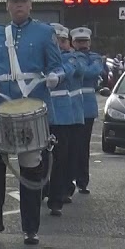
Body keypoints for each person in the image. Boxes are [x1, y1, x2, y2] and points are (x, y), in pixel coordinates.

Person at [0, 0, 63, 245]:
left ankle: (30, 228)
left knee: (30, 170)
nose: (18, 6)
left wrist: (54, 77)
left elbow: (58, 67)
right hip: (0, 111)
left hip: (32, 110)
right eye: (13, 1)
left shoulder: (44, 32)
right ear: (7, 5)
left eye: (23, 1)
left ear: (30, 5)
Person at [45, 24, 82, 216]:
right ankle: (42, 189)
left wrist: (56, 75)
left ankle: (56, 198)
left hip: (62, 115)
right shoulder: (42, 58)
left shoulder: (70, 57)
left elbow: (68, 69)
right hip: (42, 112)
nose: (58, 44)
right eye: (55, 41)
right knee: (37, 157)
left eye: (62, 41)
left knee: (60, 158)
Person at [69, 28, 103, 194]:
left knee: (82, 146)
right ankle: (67, 181)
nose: (82, 45)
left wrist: (79, 67)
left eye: (85, 41)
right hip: (70, 107)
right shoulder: (69, 57)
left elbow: (92, 72)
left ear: (89, 42)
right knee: (68, 146)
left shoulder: (95, 58)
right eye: (79, 42)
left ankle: (82, 180)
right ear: (73, 42)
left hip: (87, 108)